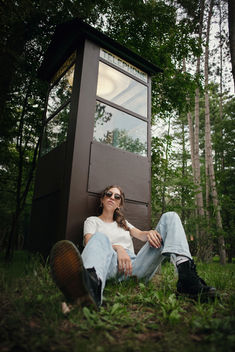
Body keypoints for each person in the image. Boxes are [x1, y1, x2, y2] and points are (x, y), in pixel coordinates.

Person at [50, 185, 216, 309]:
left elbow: (141, 235)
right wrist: (119, 249)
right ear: (102, 199)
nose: (112, 197)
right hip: (108, 264)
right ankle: (89, 290)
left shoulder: (123, 224)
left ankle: (187, 279)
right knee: (99, 237)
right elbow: (89, 242)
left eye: (117, 196)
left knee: (170, 217)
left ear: (119, 204)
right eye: (108, 194)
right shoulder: (92, 221)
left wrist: (150, 232)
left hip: (136, 266)